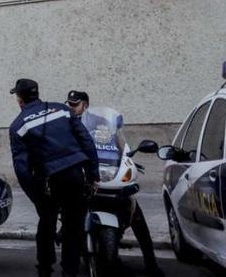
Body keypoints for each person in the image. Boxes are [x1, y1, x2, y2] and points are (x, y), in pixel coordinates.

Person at [66, 91, 163, 277]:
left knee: (136, 213)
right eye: (69, 104)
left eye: (75, 104)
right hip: (83, 174)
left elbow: (116, 141)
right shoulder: (67, 122)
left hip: (105, 172)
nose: (71, 107)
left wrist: (125, 157)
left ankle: (151, 264)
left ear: (85, 105)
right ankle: (65, 235)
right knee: (67, 204)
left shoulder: (99, 121)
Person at [8, 79, 99, 277]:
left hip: (48, 181)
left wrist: (36, 197)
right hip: (75, 175)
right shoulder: (62, 110)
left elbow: (22, 169)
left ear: (20, 100)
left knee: (47, 223)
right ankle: (70, 271)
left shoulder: (18, 126)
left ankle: (45, 269)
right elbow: (86, 141)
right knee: (73, 226)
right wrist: (93, 175)